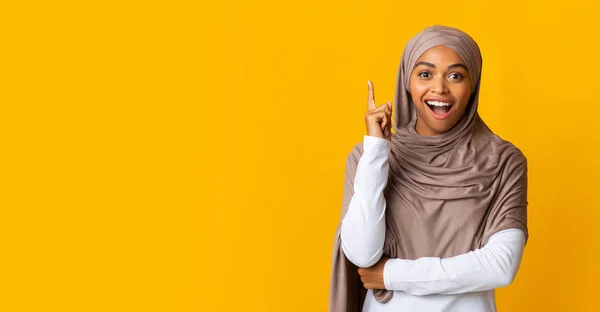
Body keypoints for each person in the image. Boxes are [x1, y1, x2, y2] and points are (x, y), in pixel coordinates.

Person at [328, 25, 528, 312]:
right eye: (425, 74)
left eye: (455, 76)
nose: (439, 88)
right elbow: (361, 253)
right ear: (407, 81)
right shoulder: (368, 155)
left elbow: (501, 265)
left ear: (473, 85)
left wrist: (392, 275)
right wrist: (376, 151)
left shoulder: (503, 161)